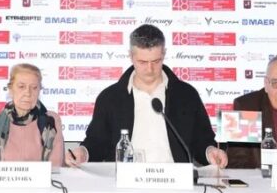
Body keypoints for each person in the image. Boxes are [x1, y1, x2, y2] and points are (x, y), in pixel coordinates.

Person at [65, 24, 228, 168]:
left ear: (164, 54)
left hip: (176, 182)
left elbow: (202, 140)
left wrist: (210, 152)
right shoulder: (110, 98)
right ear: (131, 56)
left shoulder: (186, 95)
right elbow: (97, 142)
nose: (150, 69)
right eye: (142, 62)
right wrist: (83, 153)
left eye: (156, 61)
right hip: (126, 182)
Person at [0, 63, 65, 165]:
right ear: (11, 89)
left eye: (34, 87)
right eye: (21, 87)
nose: (28, 93)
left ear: (39, 91)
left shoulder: (51, 120)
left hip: (41, 176)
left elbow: (55, 166)